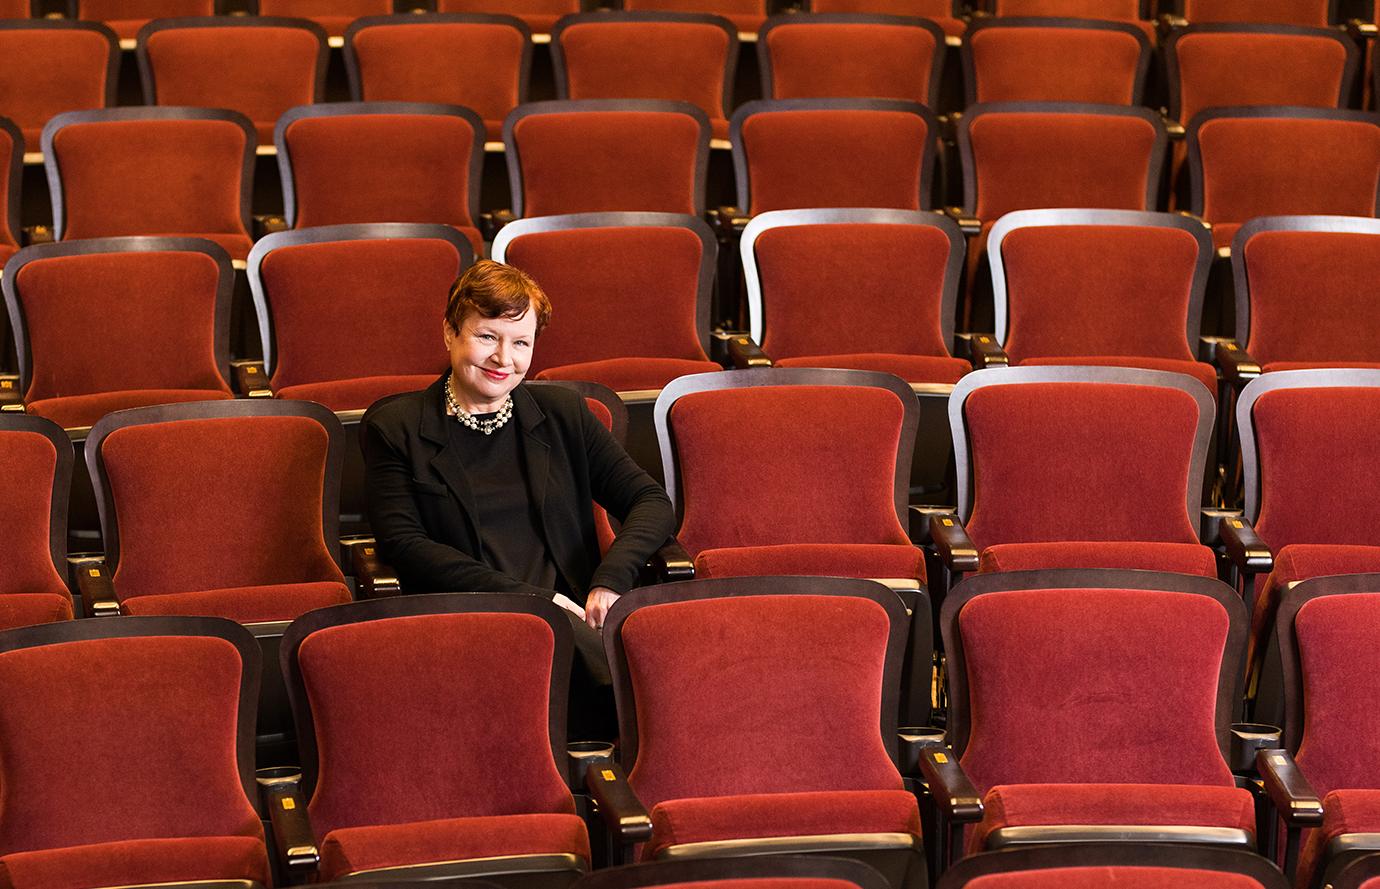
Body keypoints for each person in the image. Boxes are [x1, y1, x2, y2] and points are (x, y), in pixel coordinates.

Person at [362, 259, 676, 736]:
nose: (503, 359)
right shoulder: (396, 427)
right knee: (651, 690)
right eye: (487, 337)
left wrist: (610, 580)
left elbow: (651, 501)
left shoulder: (563, 414)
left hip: (575, 615)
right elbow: (406, 545)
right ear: (450, 333)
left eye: (521, 342)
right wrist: (537, 600)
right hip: (474, 619)